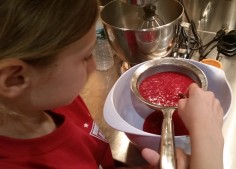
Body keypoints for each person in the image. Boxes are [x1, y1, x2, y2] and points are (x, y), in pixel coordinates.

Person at [0, 0, 224, 169]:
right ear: (14, 79)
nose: (94, 64)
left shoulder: (49, 100)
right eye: (86, 56)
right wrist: (210, 141)